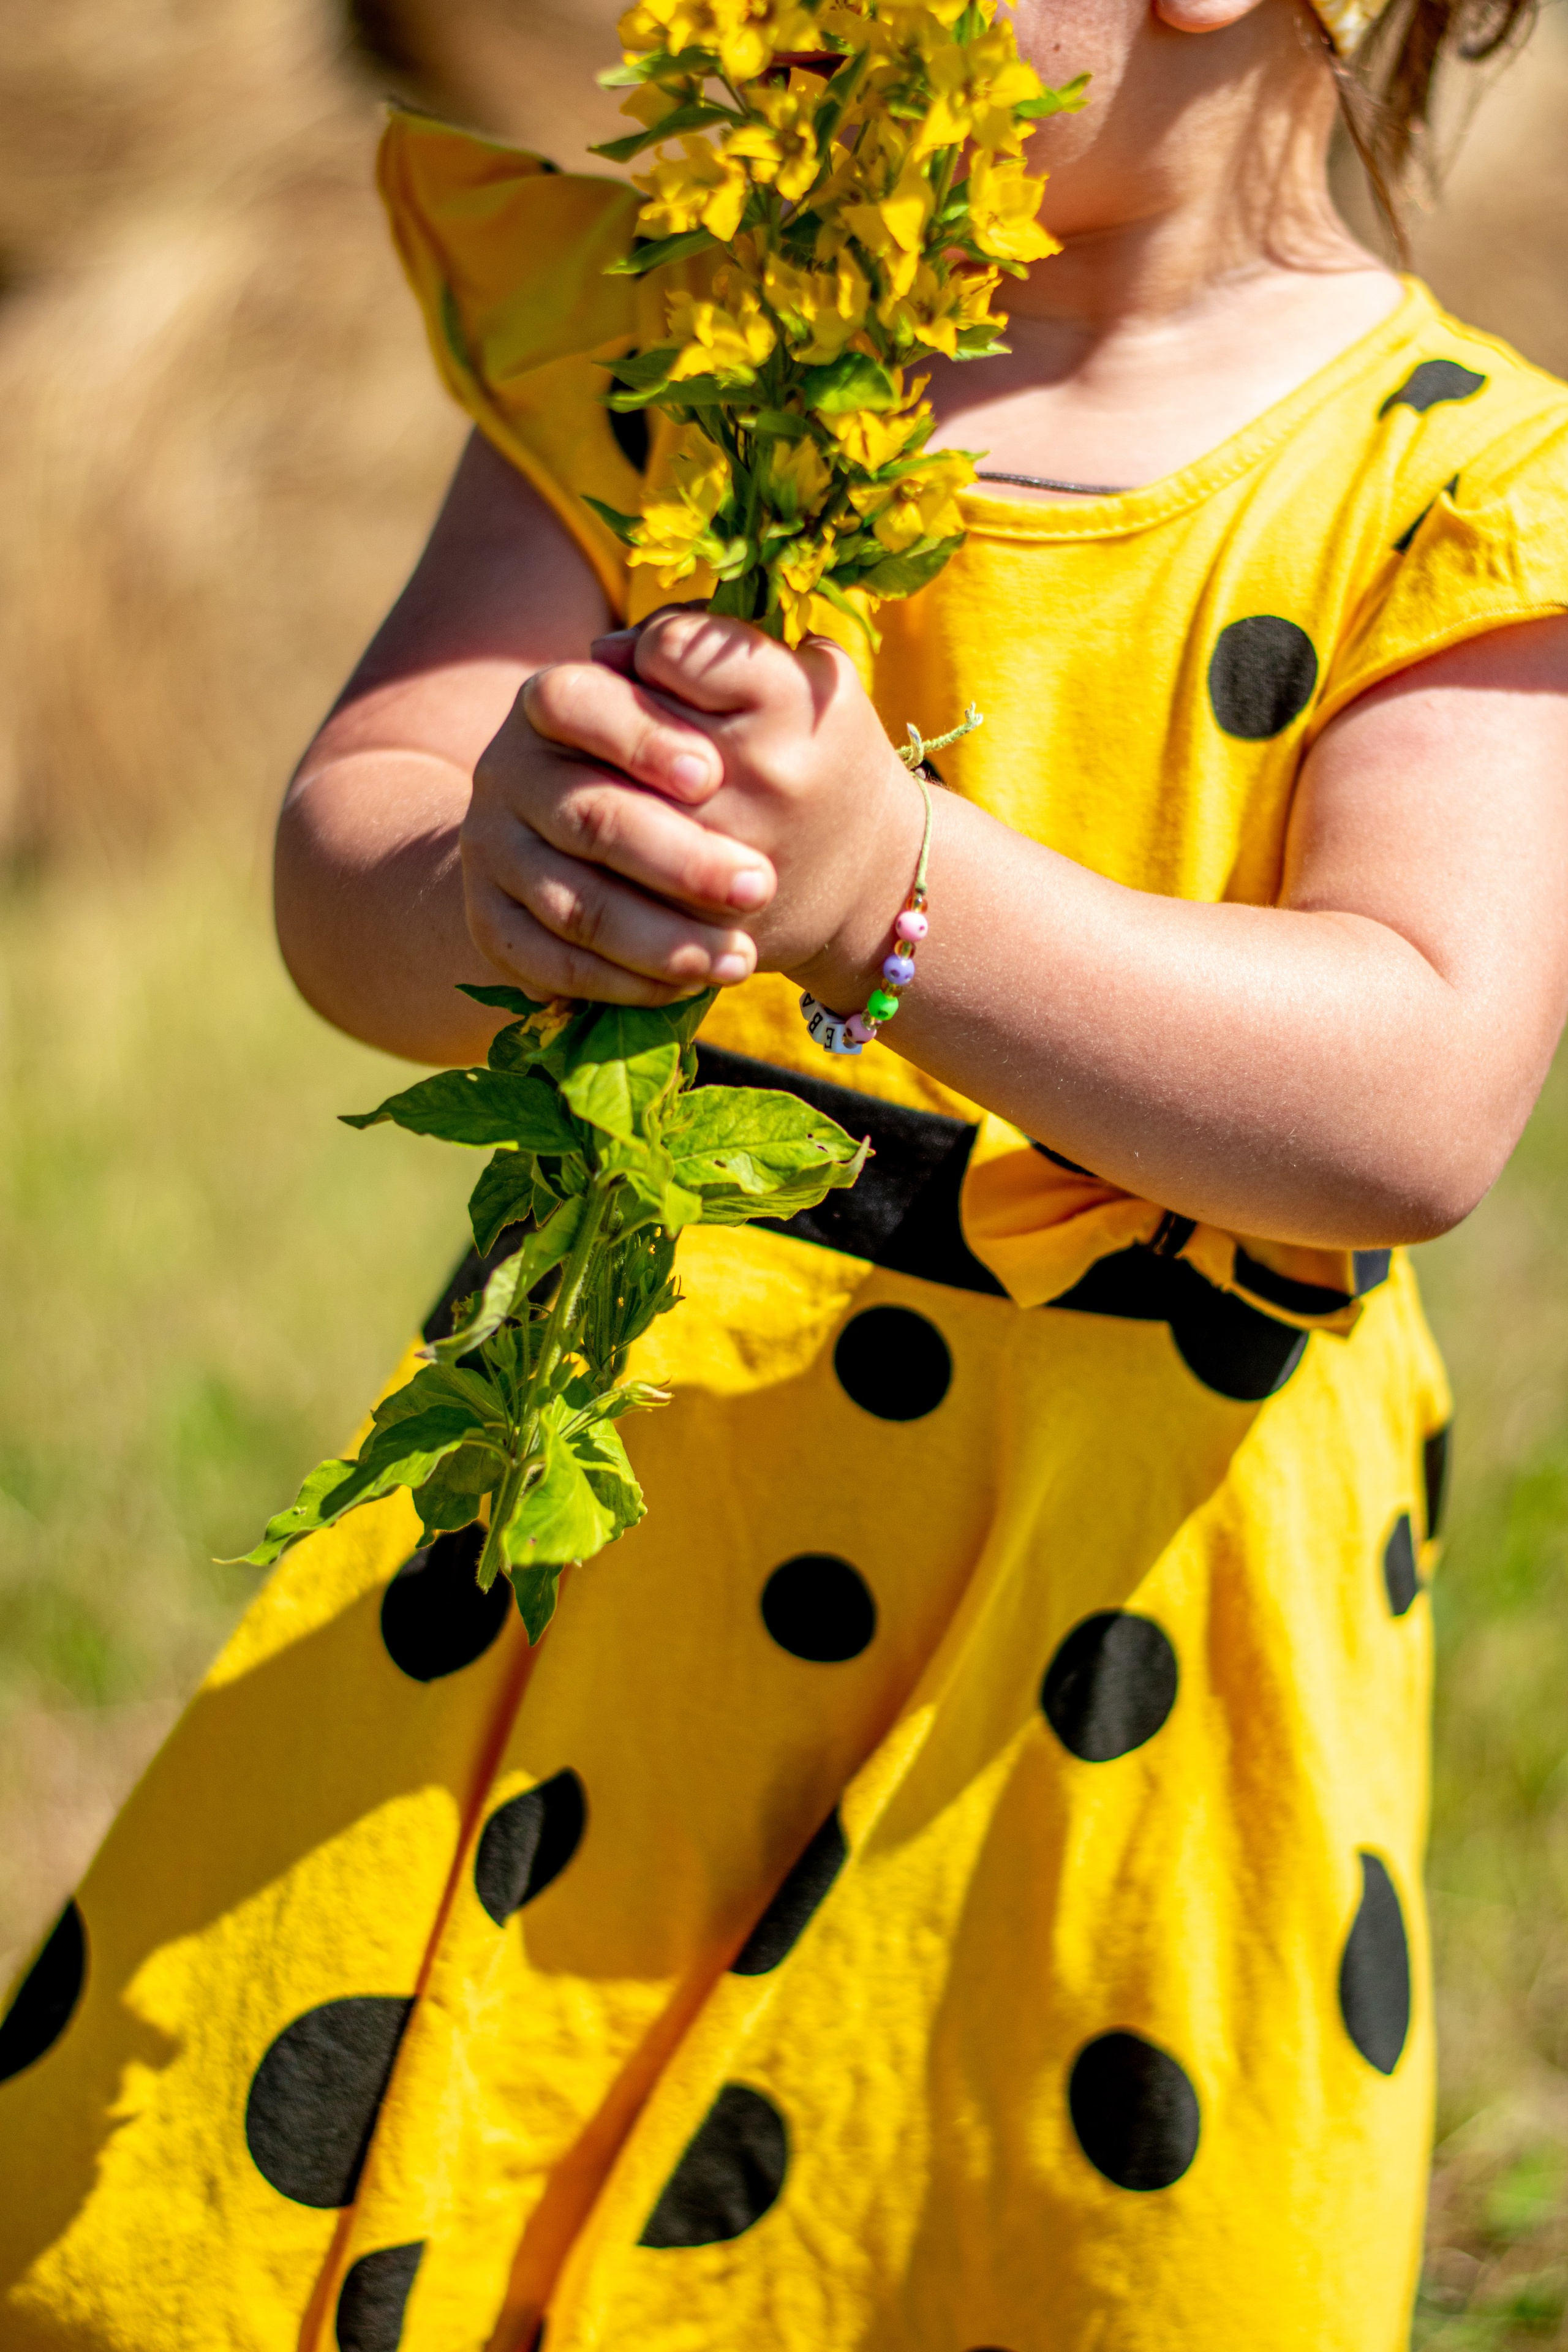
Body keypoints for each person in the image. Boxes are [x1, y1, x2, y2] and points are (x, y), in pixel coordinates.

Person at [3, 0, 1566, 2342]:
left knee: (981, 2222)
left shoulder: (1454, 483)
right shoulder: (689, 358)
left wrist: (895, 893)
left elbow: (1414, 1102)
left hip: (1101, 1645)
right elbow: (355, 854)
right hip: (631, 1554)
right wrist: (491, 887)